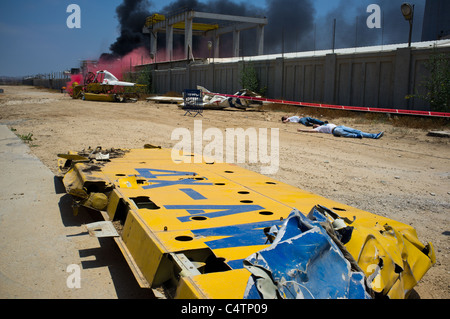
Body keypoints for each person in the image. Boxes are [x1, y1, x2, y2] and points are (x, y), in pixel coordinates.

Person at [297, 123, 384, 139]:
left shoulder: (324, 124)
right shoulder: (318, 129)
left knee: (357, 131)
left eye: (315, 125)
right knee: (349, 134)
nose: (315, 125)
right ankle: (357, 136)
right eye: (314, 126)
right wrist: (301, 130)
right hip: (335, 130)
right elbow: (310, 131)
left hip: (339, 127)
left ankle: (374, 135)